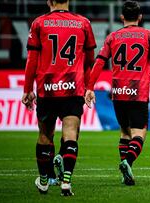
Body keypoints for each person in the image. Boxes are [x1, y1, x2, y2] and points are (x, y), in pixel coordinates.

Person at [85, 1, 150, 186]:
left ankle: (125, 172)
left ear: (122, 17)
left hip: (118, 92)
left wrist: (90, 87)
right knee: (140, 132)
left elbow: (99, 62)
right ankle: (127, 162)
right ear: (140, 17)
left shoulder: (113, 37)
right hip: (138, 92)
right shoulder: (147, 35)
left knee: (124, 131)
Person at [21, 0, 96, 196]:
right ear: (69, 0)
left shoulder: (39, 23)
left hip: (47, 89)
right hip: (73, 88)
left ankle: (44, 181)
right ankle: (66, 182)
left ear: (49, 1)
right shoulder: (83, 23)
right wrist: (89, 86)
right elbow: (90, 61)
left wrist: (28, 88)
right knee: (71, 133)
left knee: (45, 135)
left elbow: (32, 60)